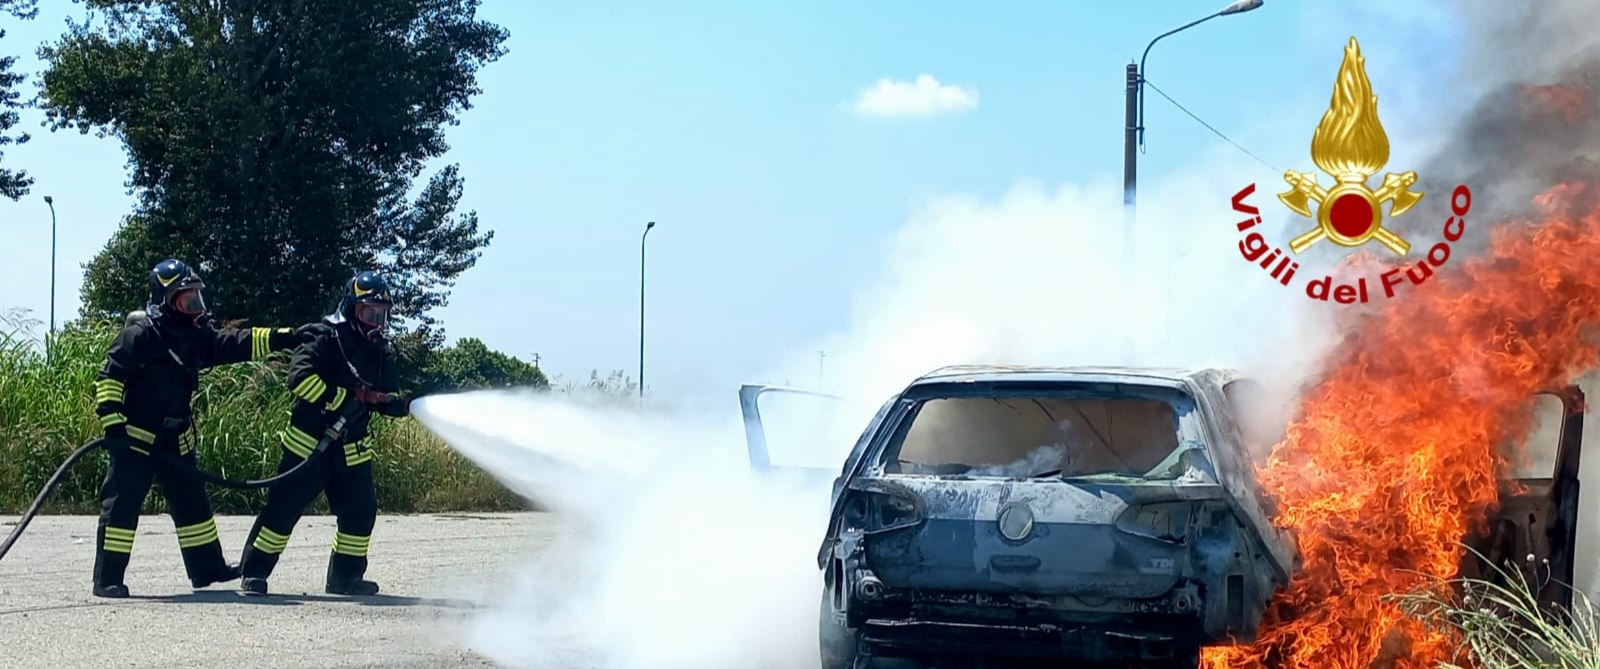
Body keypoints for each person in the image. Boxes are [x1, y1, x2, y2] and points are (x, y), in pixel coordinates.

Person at [91, 258, 325, 598]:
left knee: (193, 507)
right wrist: (114, 425)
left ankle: (207, 570)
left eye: (196, 299)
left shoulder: (195, 338)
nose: (195, 308)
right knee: (121, 510)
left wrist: (286, 337)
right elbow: (110, 377)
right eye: (186, 300)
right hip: (136, 442)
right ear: (165, 301)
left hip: (177, 440)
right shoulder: (139, 335)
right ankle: (107, 579)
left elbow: (238, 342)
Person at [238, 270, 412, 597]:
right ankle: (254, 572)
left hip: (352, 449)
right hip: (310, 446)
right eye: (369, 313)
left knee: (360, 512)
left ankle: (345, 578)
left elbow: (381, 394)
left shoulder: (379, 351)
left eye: (381, 315)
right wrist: (340, 399)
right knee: (282, 510)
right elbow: (300, 378)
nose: (375, 321)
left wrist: (395, 403)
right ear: (351, 307)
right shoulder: (324, 336)